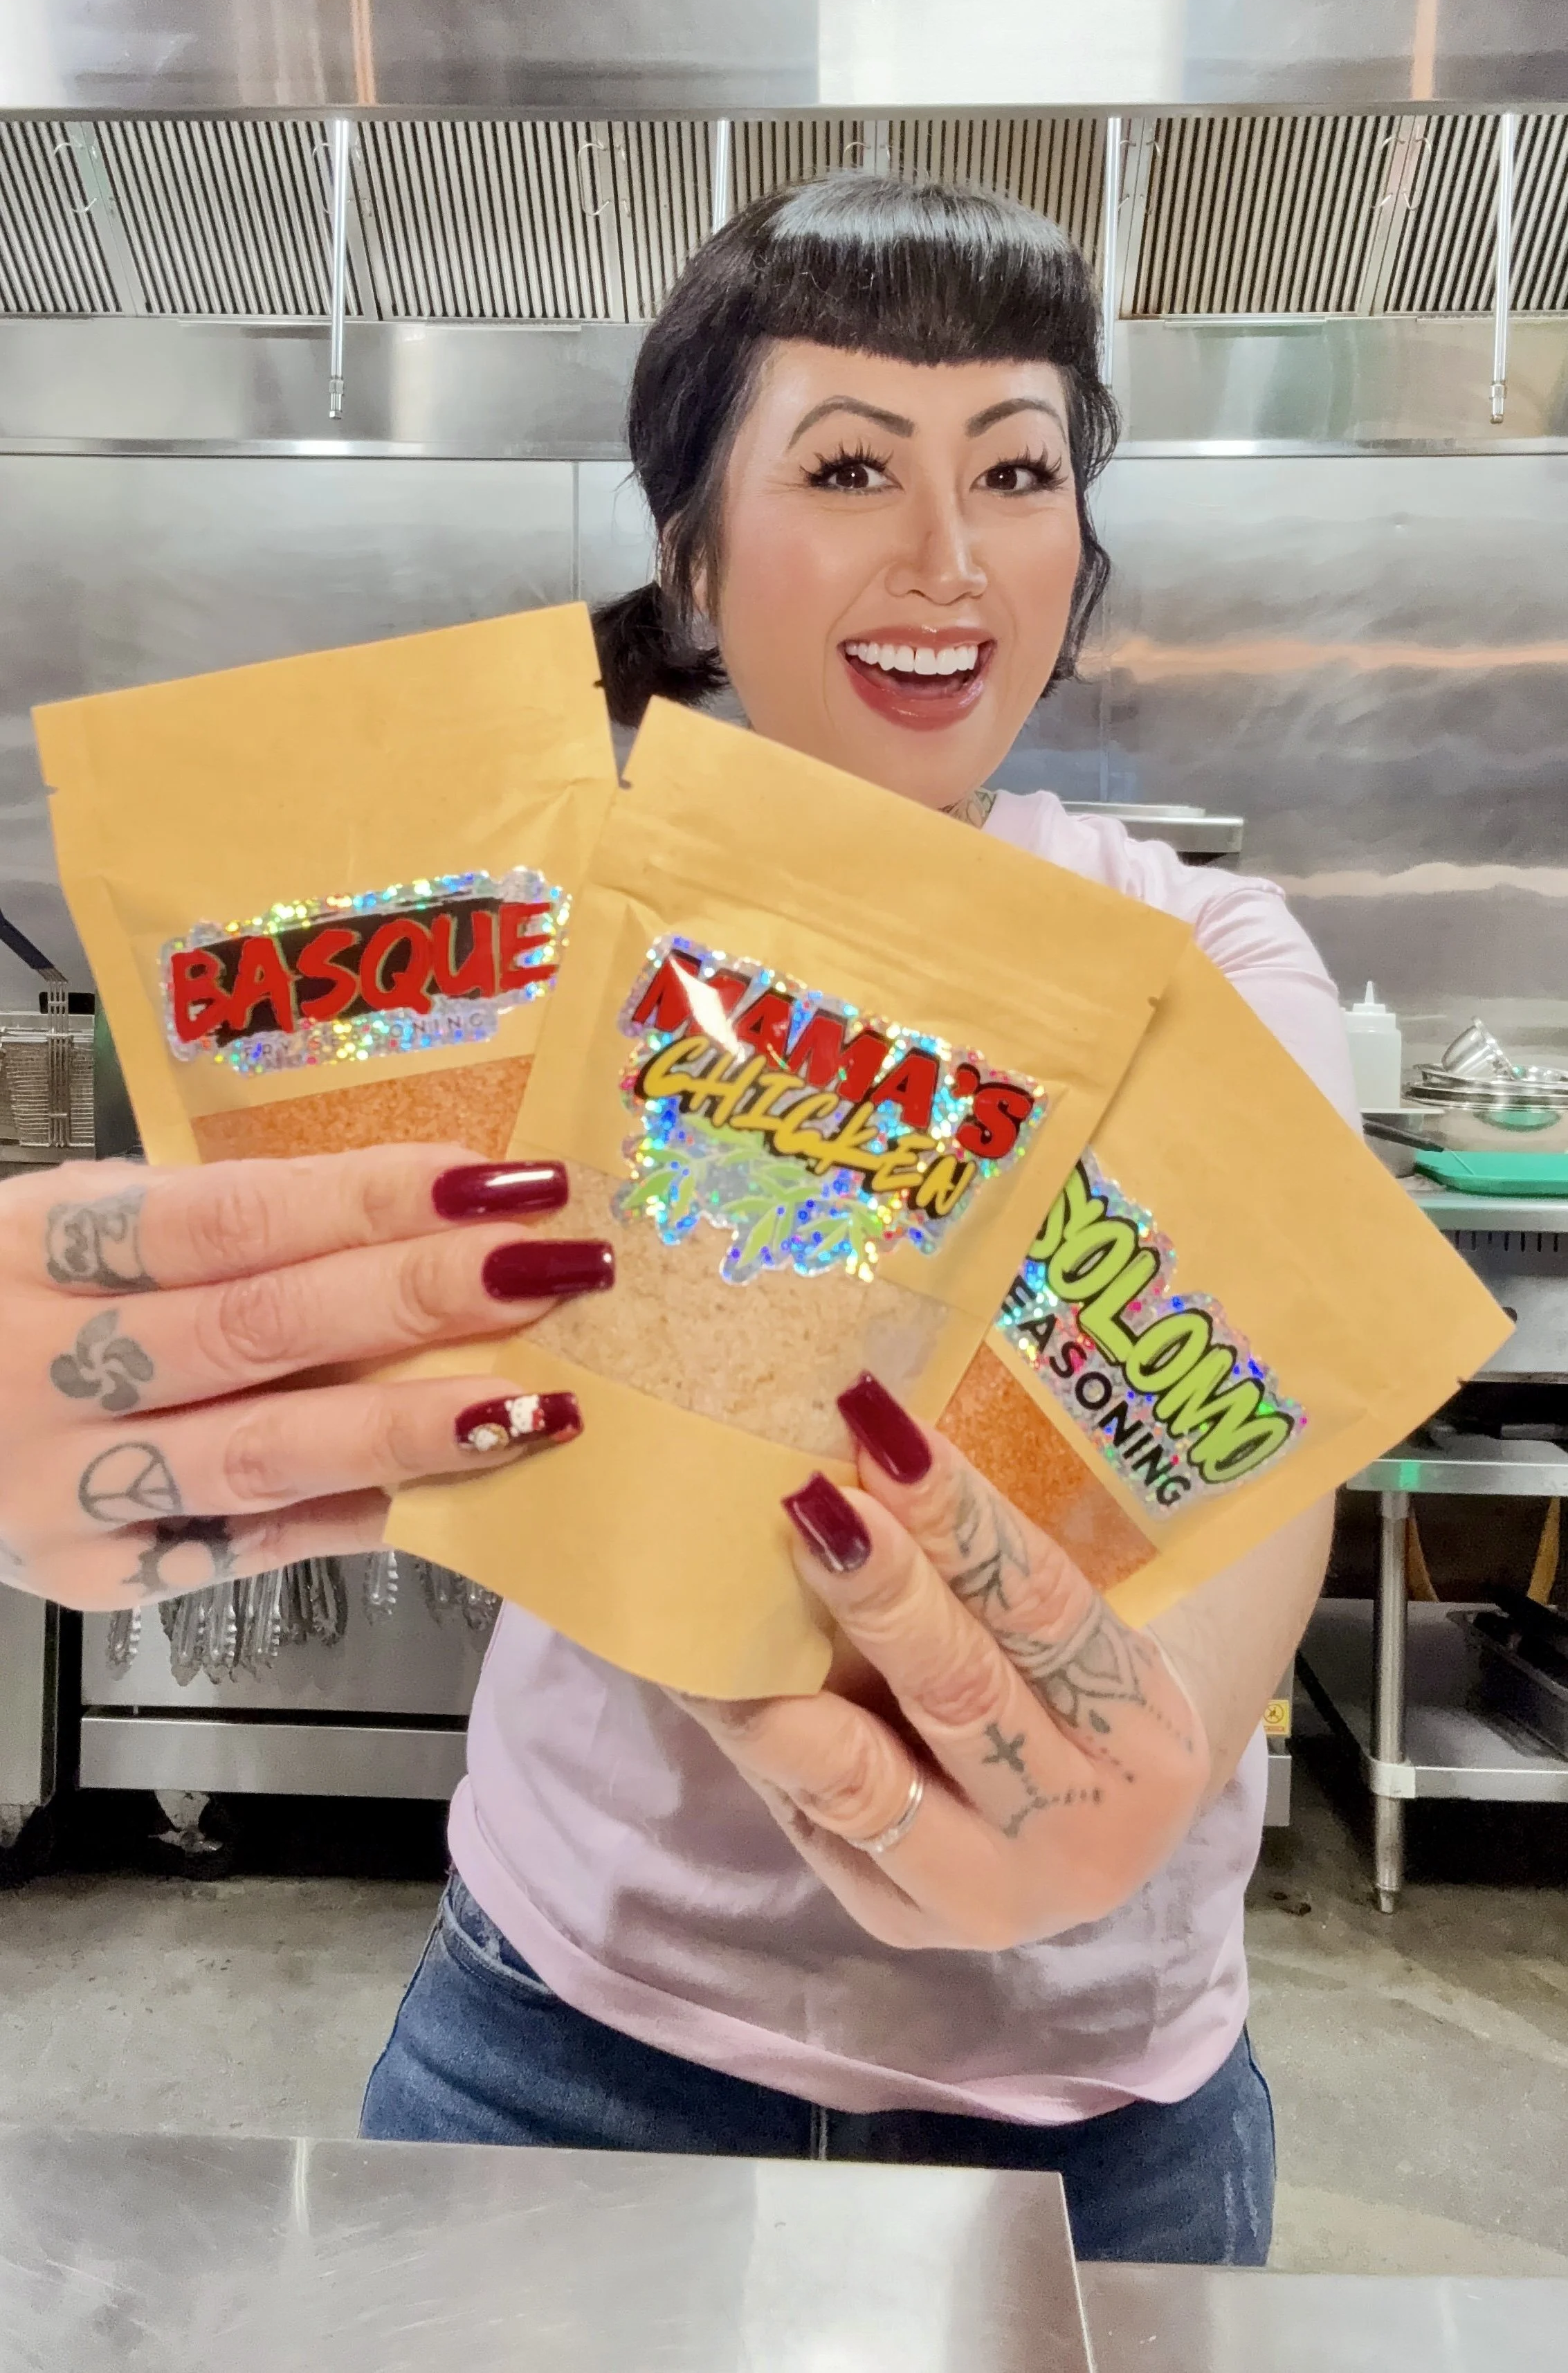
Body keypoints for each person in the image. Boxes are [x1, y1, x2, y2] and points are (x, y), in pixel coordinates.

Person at [0, 178, 1353, 2264]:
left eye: (1017, 467)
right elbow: (261, 1332)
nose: (948, 553)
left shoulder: (1207, 956)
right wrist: (113, 1396)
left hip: (1100, 2125)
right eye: (847, 466)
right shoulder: (532, 927)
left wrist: (1122, 1767)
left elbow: (1262, 1473)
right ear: (694, 559)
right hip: (555, 2036)